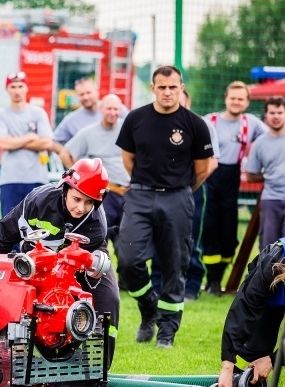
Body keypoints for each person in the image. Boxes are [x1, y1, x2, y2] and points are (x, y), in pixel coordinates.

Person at [0, 158, 119, 366]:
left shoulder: (96, 225)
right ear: (65, 188)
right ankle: (6, 361)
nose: (81, 208)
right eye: (77, 199)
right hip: (36, 261)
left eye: (89, 202)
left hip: (81, 262)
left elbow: (86, 266)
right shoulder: (37, 202)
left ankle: (98, 371)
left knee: (109, 299)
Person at [115, 65, 213, 349]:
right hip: (141, 196)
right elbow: (128, 160)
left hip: (178, 198)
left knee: (174, 265)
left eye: (173, 87)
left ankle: (166, 333)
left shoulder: (195, 124)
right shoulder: (136, 119)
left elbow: (202, 170)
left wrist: (178, 192)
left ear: (181, 87)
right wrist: (149, 187)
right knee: (128, 259)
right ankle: (148, 308)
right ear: (153, 88)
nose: (168, 92)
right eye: (162, 87)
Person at [149, 89, 220, 301]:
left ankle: (191, 286)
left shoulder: (201, 126)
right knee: (160, 237)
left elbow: (212, 162)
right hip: (161, 191)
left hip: (193, 191)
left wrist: (189, 185)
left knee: (190, 238)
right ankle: (157, 285)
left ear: (187, 102)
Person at [216, 236, 285, 387]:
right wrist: (227, 366)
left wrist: (272, 360)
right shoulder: (271, 267)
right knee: (256, 352)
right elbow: (243, 310)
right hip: (271, 297)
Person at [202, 82, 268, 296]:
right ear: (226, 98)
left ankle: (221, 274)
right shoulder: (209, 120)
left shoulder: (253, 123)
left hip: (232, 179)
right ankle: (212, 280)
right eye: (233, 98)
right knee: (210, 229)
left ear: (247, 102)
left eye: (241, 99)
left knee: (229, 234)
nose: (236, 102)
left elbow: (272, 139)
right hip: (210, 177)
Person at [63, 94, 129, 245]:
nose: (112, 112)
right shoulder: (89, 132)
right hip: (105, 194)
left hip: (128, 193)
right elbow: (65, 153)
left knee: (127, 245)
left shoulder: (128, 129)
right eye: (109, 109)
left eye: (116, 109)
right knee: (99, 240)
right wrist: (79, 181)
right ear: (100, 109)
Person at [0, 71, 54, 219]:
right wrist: (31, 137)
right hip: (10, 179)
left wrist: (15, 141)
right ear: (7, 89)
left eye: (20, 86)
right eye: (13, 86)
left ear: (26, 88)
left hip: (37, 178)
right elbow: (2, 142)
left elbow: (47, 142)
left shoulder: (38, 113)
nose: (17, 90)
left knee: (37, 228)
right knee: (9, 227)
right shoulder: (1, 114)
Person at [244, 97, 285, 249]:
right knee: (268, 248)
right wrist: (272, 176)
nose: (276, 116)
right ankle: (267, 273)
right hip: (271, 200)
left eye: (279, 112)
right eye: (272, 113)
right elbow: (251, 175)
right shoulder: (259, 143)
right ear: (266, 115)